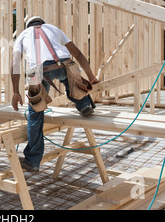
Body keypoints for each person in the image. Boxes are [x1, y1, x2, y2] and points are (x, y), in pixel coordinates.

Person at [10, 16, 100, 172]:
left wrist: (15, 92)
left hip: (37, 71)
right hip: (64, 65)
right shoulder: (53, 28)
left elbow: (15, 63)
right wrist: (91, 77)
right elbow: (78, 55)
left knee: (35, 113)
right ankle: (83, 104)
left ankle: (33, 160)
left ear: (28, 25)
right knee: (72, 80)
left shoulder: (23, 34)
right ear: (42, 23)